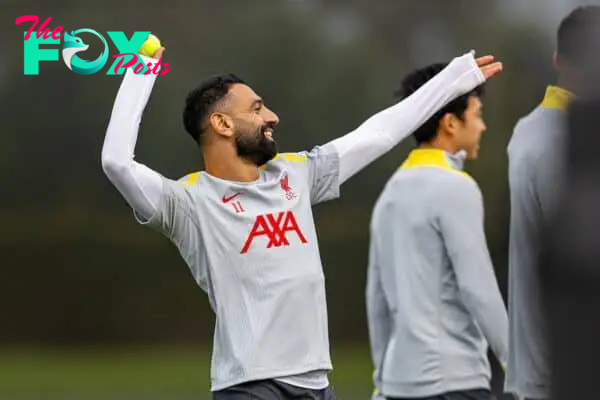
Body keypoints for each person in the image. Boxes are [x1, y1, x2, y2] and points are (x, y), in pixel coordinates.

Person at [101, 42, 502, 399]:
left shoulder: (295, 173)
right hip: (249, 386)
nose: (272, 116)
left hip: (317, 385)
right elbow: (117, 162)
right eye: (257, 109)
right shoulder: (189, 203)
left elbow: (378, 133)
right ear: (222, 124)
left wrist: (455, 79)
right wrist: (141, 69)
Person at [366, 62, 508, 400]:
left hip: (398, 385)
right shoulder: (456, 187)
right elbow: (479, 289)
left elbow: (376, 299)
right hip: (454, 382)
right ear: (450, 123)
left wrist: (382, 380)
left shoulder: (390, 193)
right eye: (477, 114)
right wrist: (517, 364)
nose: (483, 126)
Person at [504, 6, 600, 400]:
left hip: (538, 371)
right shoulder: (563, 145)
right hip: (564, 373)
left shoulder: (527, 132)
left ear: (558, 59)